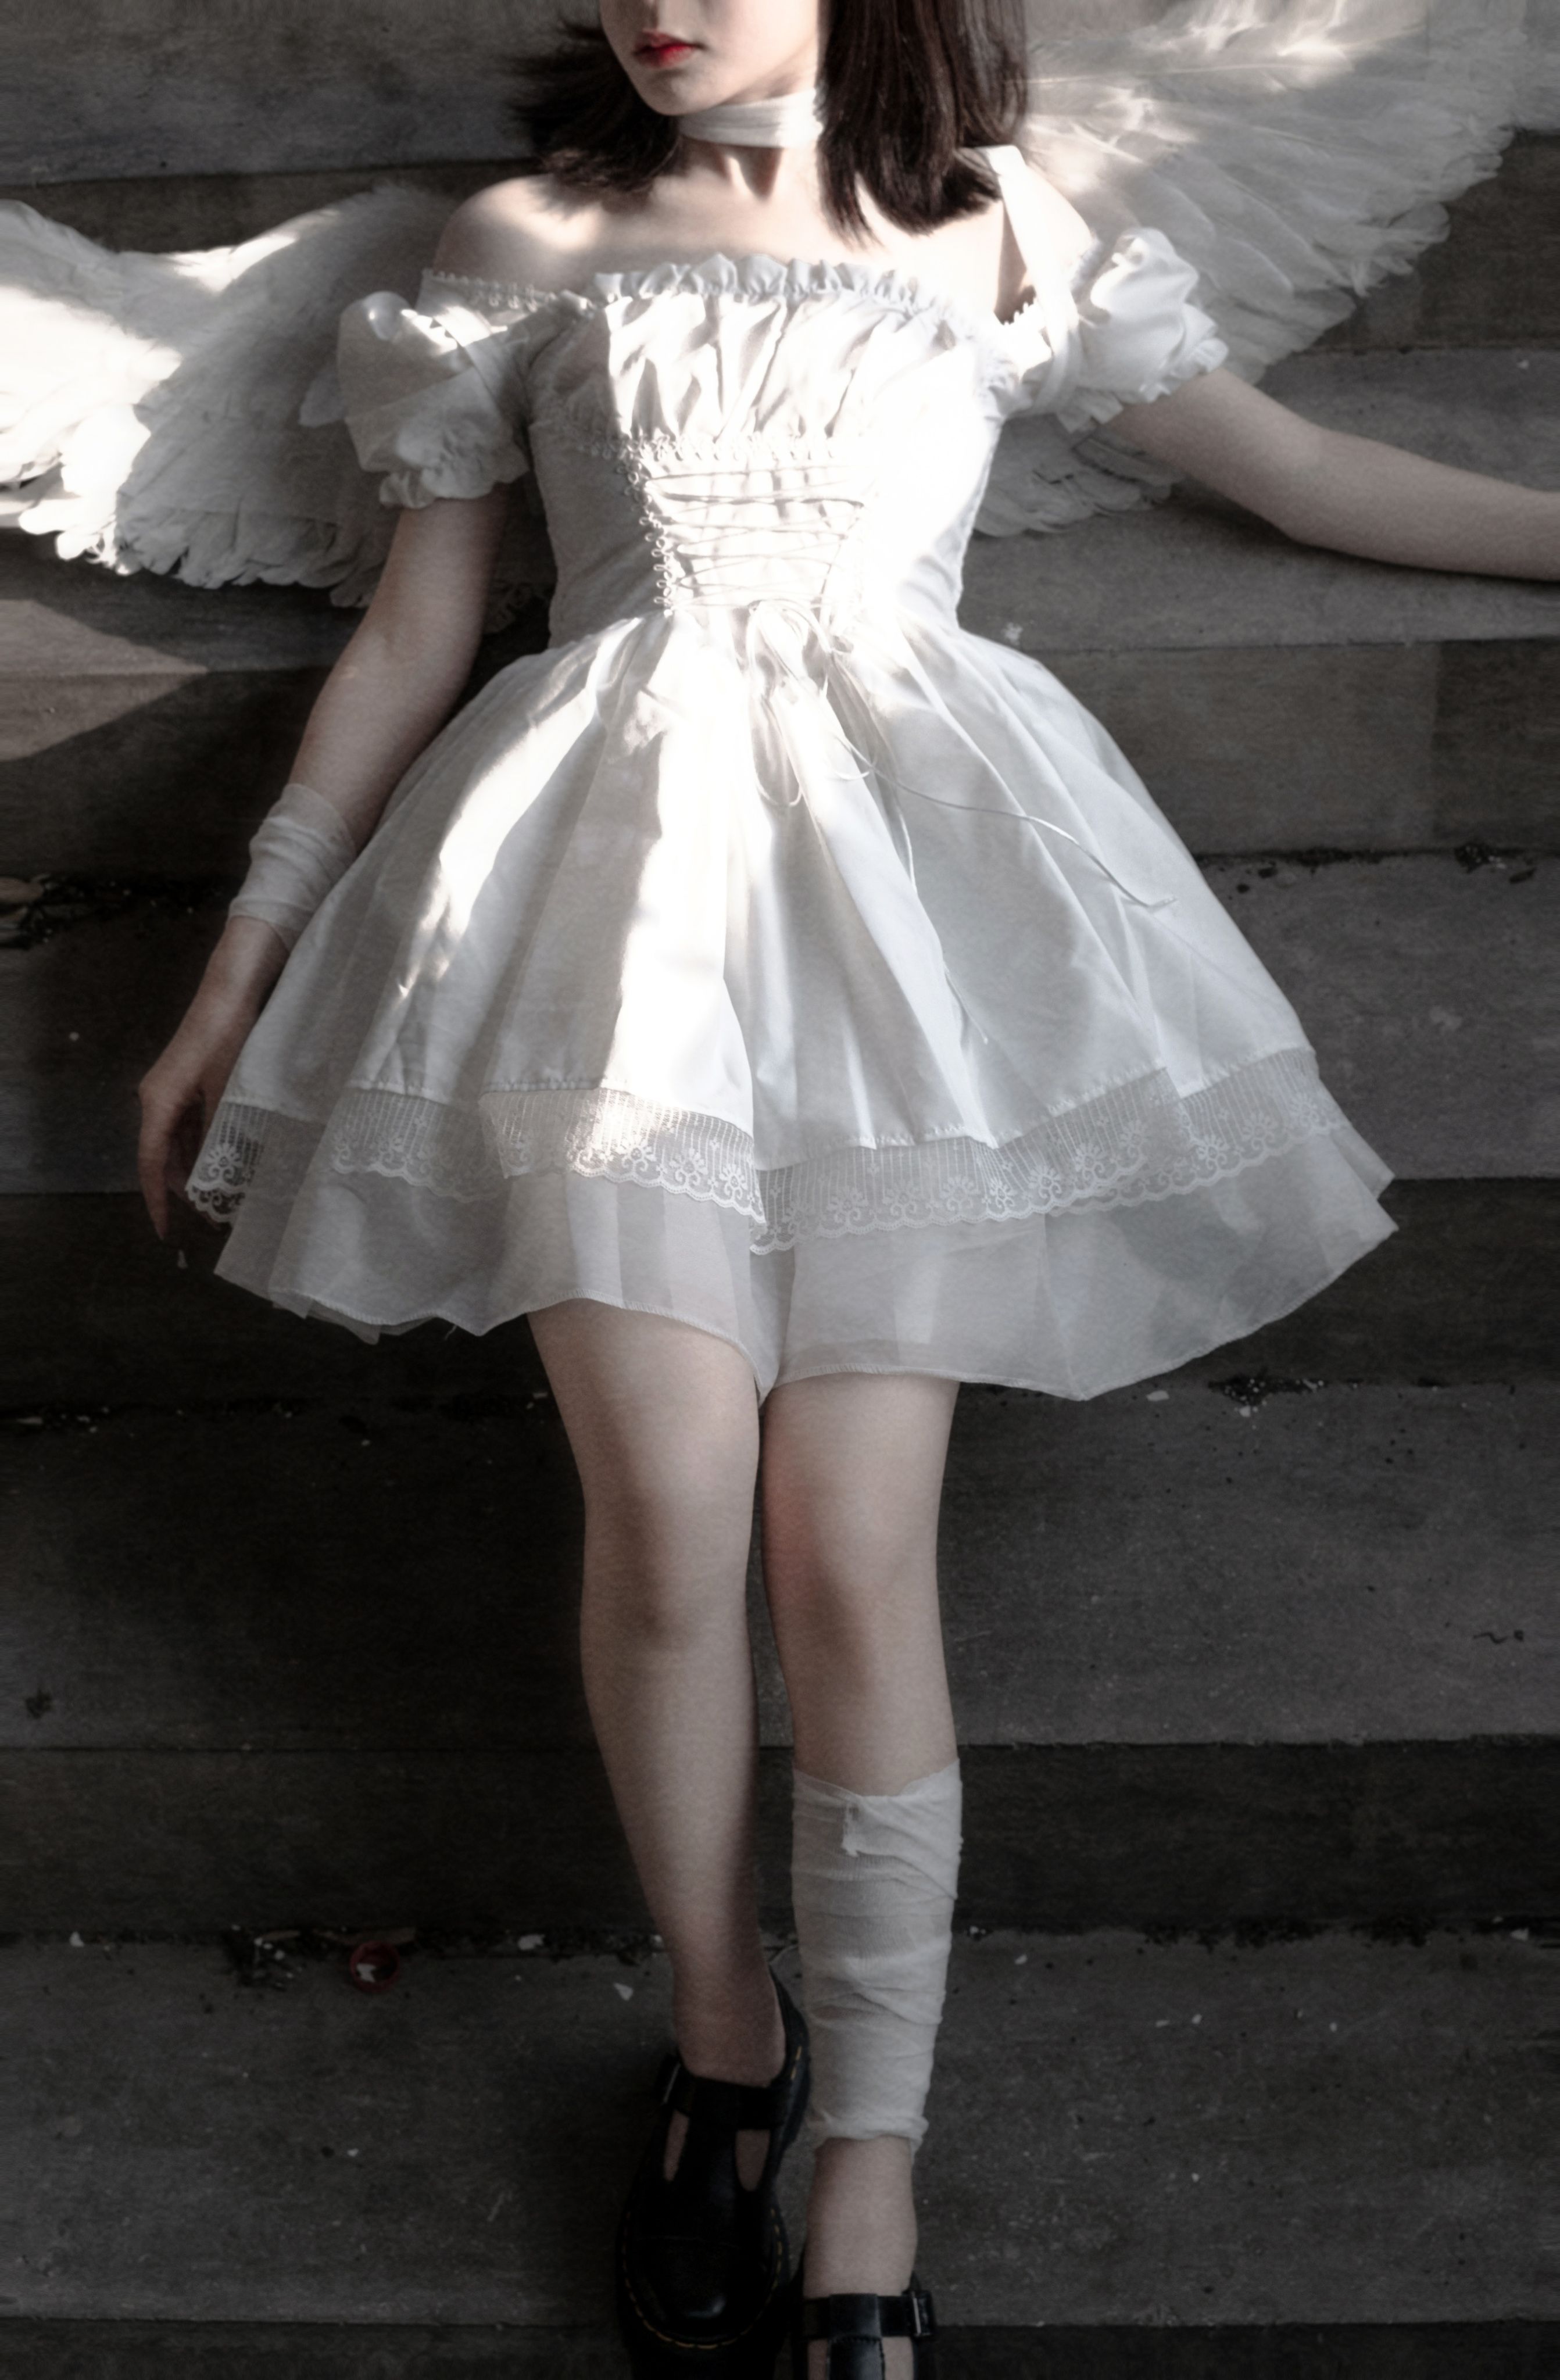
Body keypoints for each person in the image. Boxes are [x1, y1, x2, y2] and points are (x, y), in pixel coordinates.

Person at [130, 3, 1557, 2374]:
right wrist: (236, 964)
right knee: (670, 1509)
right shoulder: (528, 239)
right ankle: (726, 2041)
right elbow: (412, 626)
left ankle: (872, 2155)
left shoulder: (997, 226)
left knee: (849, 1550)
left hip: (909, 913)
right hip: (605, 911)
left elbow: (1295, 468)